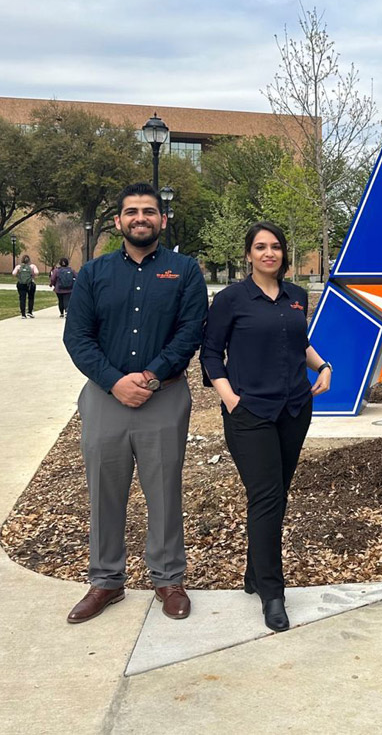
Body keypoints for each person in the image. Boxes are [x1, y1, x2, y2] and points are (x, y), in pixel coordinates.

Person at [63, 182, 208, 623]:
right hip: (105, 398)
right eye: (132, 211)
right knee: (105, 490)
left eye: (149, 211)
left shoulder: (185, 271)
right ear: (118, 221)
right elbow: (77, 336)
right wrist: (113, 381)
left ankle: (168, 578)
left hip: (164, 396)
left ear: (162, 220)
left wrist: (149, 375)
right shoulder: (93, 273)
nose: (140, 218)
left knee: (164, 489)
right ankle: (106, 580)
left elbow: (191, 331)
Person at [200, 221, 332, 632]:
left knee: (276, 496)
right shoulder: (230, 299)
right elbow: (210, 354)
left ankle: (255, 573)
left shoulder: (297, 296)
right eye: (260, 247)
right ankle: (273, 593)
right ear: (248, 255)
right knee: (266, 496)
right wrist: (230, 399)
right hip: (250, 413)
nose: (268, 253)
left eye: (275, 246)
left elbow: (298, 342)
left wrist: (322, 365)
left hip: (294, 409)